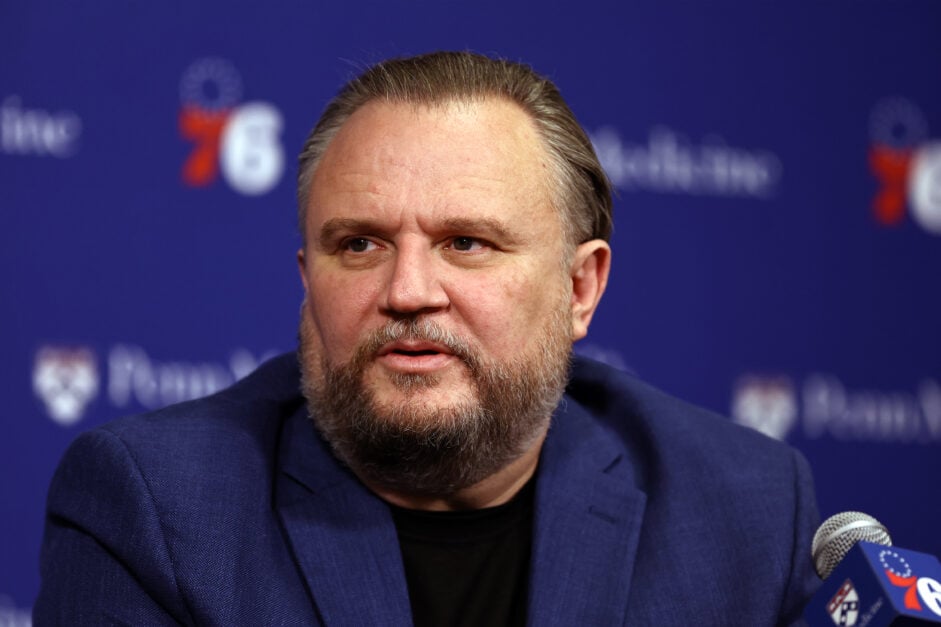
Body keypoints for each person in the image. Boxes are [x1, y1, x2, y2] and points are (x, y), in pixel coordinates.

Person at [35, 51, 820, 626]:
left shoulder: (742, 509)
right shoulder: (155, 510)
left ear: (579, 288)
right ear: (308, 280)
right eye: (360, 245)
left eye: (467, 242)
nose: (408, 291)